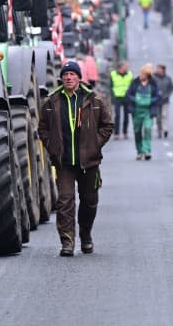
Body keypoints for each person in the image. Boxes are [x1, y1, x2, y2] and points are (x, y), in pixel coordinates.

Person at [38, 61, 113, 256]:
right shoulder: (51, 102)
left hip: (89, 162)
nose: (69, 77)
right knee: (65, 202)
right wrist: (52, 147)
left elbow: (107, 125)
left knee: (89, 201)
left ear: (79, 78)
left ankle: (86, 235)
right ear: (61, 78)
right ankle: (67, 242)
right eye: (66, 75)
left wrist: (95, 144)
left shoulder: (94, 99)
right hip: (64, 162)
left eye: (72, 74)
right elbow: (42, 128)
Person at [126, 64, 160, 160]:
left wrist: (150, 100)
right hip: (136, 111)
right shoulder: (135, 83)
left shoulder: (153, 84)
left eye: (144, 73)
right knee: (137, 131)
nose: (141, 75)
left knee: (148, 129)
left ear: (148, 75)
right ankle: (139, 151)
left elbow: (157, 96)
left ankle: (147, 150)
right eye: (141, 73)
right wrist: (135, 99)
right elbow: (128, 95)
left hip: (148, 111)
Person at [109, 61, 133, 140]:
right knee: (117, 115)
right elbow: (111, 86)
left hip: (126, 97)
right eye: (125, 67)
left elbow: (132, 86)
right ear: (120, 68)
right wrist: (112, 96)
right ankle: (116, 133)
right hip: (117, 97)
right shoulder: (113, 74)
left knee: (126, 115)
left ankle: (125, 132)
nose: (127, 68)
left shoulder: (129, 74)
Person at [152, 64, 173, 138]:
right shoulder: (154, 78)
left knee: (164, 115)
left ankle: (165, 130)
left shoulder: (168, 78)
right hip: (157, 100)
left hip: (165, 100)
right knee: (158, 116)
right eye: (157, 69)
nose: (158, 70)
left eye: (159, 69)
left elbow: (171, 88)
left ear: (163, 70)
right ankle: (159, 130)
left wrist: (166, 95)